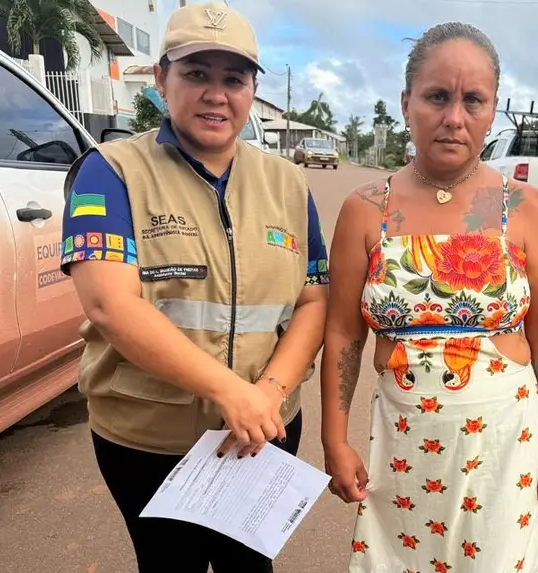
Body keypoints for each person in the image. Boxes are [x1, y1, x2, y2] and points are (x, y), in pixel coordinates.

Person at [59, 4, 328, 572]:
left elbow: (313, 299)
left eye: (233, 79)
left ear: (252, 89)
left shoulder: (286, 182)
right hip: (149, 441)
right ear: (161, 80)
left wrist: (268, 395)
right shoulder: (110, 172)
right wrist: (232, 392)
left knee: (249, 566)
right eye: (196, 74)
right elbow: (109, 305)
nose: (215, 94)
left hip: (264, 430)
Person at [320, 21, 538, 573]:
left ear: (491, 110)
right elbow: (343, 331)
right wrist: (334, 439)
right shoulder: (369, 209)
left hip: (506, 448)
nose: (454, 117)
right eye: (438, 96)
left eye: (473, 100)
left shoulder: (515, 206)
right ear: (407, 101)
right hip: (404, 446)